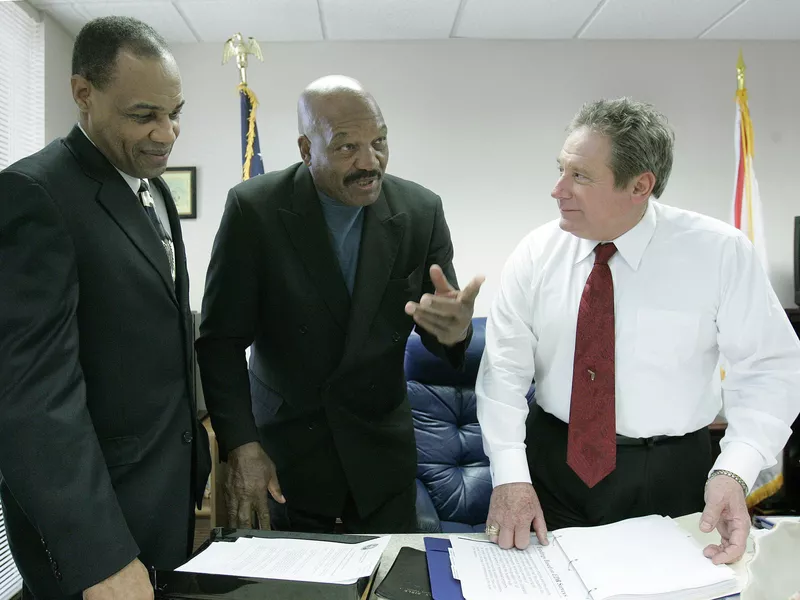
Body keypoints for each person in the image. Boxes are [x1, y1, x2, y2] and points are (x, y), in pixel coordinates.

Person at [475, 97, 800, 564]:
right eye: (561, 169)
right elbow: (502, 372)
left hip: (669, 475)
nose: (557, 189)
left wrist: (735, 469)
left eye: (580, 176)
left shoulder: (719, 253)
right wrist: (509, 475)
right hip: (553, 469)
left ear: (640, 186)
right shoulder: (537, 252)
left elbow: (770, 369)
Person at [196, 75, 482, 534]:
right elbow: (220, 341)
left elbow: (437, 324)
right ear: (307, 150)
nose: (370, 162)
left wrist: (455, 333)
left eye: (380, 142)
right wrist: (242, 445)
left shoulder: (421, 211)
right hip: (287, 456)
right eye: (347, 147)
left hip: (380, 456)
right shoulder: (256, 210)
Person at [0, 16, 210, 599]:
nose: (166, 134)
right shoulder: (34, 195)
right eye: (144, 116)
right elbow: (32, 398)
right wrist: (100, 557)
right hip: (96, 531)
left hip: (164, 501)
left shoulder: (157, 192)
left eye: (175, 114)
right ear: (84, 95)